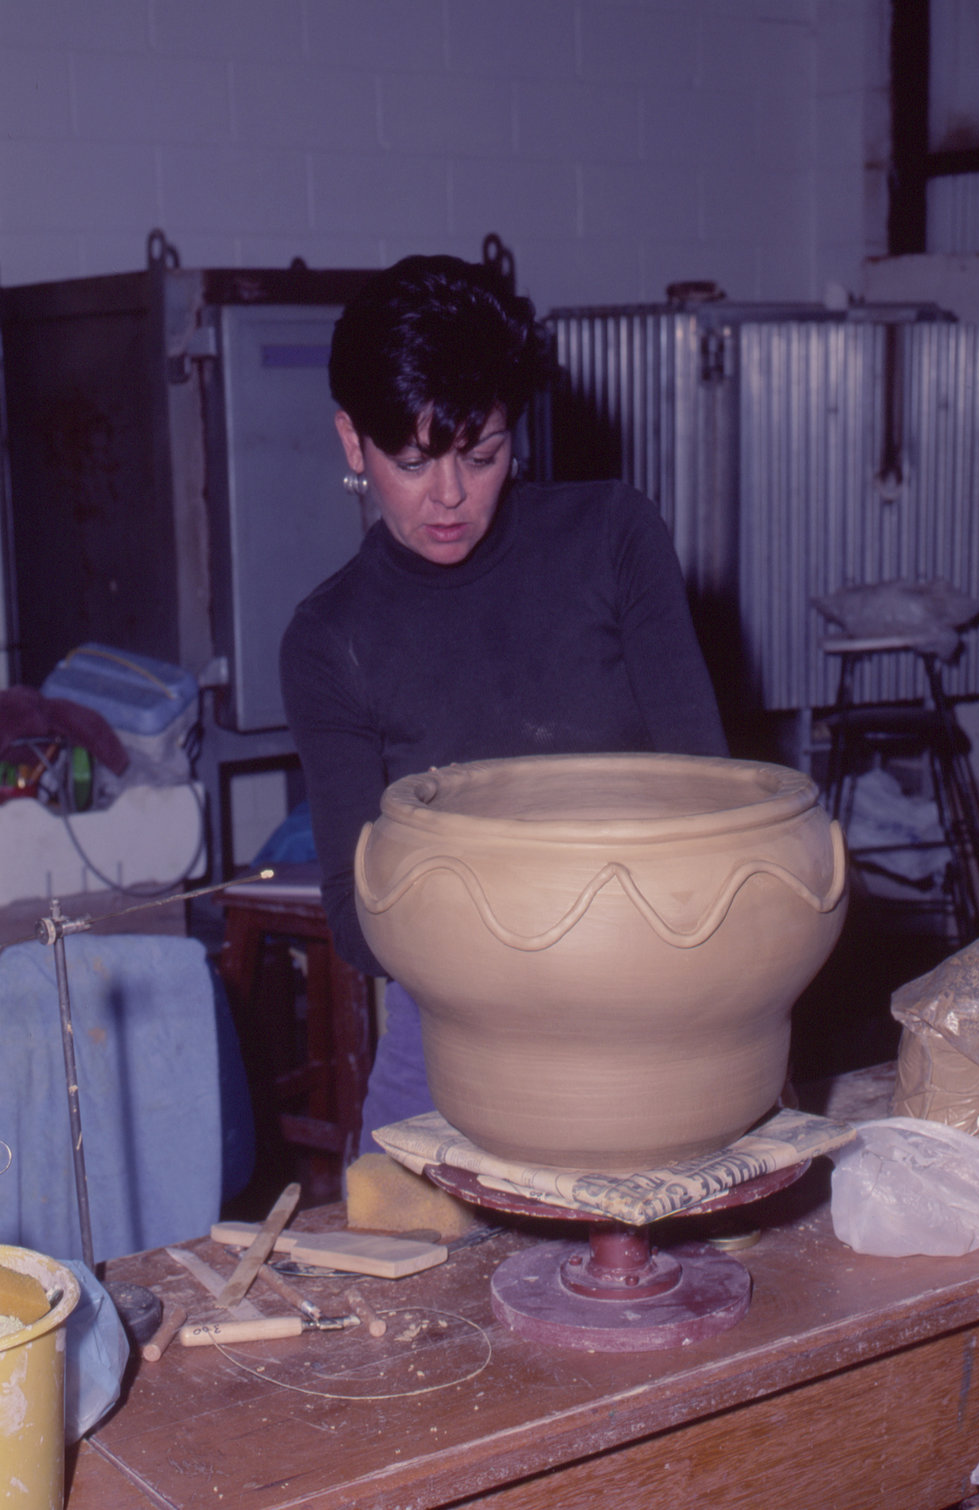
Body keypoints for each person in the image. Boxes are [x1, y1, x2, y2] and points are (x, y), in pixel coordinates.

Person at [280, 254, 728, 1154]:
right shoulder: (331, 637)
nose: (448, 495)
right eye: (410, 462)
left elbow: (709, 805)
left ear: (516, 434)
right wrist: (519, 960)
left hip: (656, 993)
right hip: (451, 1028)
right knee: (401, 1272)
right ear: (351, 444)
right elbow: (353, 910)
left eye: (480, 456)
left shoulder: (613, 539)